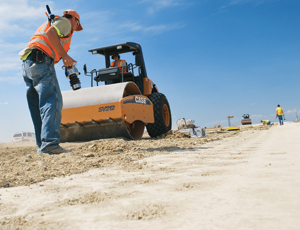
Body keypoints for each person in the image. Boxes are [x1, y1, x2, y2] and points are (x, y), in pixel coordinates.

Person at [19, 9, 83, 154]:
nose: (75, 27)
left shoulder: (51, 22)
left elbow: (48, 39)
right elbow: (51, 34)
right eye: (77, 24)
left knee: (37, 106)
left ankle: (42, 144)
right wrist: (64, 55)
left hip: (28, 64)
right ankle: (50, 144)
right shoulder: (66, 23)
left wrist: (64, 57)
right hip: (41, 61)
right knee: (53, 99)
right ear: (74, 19)